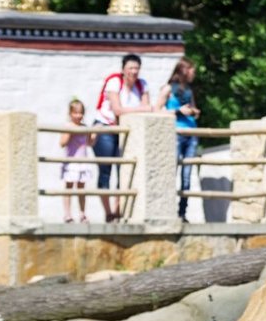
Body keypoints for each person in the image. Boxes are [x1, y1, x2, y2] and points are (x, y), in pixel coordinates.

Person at [94, 53, 152, 222]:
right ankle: (108, 212)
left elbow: (147, 107)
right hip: (106, 128)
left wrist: (143, 109)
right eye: (130, 68)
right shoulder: (114, 82)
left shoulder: (142, 85)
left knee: (124, 171)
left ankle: (118, 210)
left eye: (136, 68)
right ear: (123, 70)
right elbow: (118, 110)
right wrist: (142, 109)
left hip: (127, 131)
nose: (133, 72)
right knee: (105, 171)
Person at [156, 57, 200, 222]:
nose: (193, 73)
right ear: (183, 70)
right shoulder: (168, 89)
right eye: (191, 70)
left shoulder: (189, 90)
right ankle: (166, 210)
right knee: (171, 172)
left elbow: (192, 107)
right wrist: (178, 112)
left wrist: (194, 111)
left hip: (191, 134)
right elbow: (157, 110)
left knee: (187, 175)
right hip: (175, 133)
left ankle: (182, 213)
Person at [59, 98, 96, 223]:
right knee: (69, 187)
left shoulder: (85, 127)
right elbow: (62, 143)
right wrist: (70, 133)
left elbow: (89, 144)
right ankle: (67, 214)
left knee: (82, 189)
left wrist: (94, 135)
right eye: (75, 113)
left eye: (80, 113)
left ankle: (82, 213)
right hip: (71, 162)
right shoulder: (68, 126)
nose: (78, 116)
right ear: (70, 114)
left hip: (83, 162)